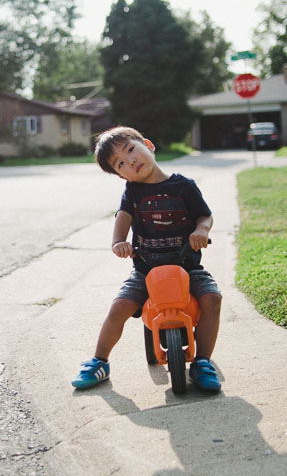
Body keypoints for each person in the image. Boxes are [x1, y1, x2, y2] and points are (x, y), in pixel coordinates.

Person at [71, 126, 223, 391]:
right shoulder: (133, 191)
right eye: (121, 163)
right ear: (121, 175)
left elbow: (204, 215)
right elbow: (123, 217)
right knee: (120, 307)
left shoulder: (184, 186)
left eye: (131, 150)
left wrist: (201, 230)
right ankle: (100, 361)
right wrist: (119, 242)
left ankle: (202, 362)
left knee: (212, 298)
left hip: (187, 265)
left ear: (148, 145)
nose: (130, 160)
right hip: (145, 268)